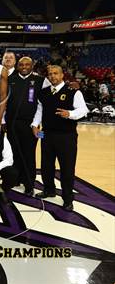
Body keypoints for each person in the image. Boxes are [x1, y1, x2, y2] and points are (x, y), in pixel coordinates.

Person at [32, 65, 89, 211]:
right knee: (46, 165)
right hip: (46, 134)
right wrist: (35, 125)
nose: (52, 76)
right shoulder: (43, 92)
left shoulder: (73, 92)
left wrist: (69, 114)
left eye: (55, 73)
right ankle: (49, 190)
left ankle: (68, 199)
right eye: (50, 74)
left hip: (66, 136)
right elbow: (40, 110)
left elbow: (83, 110)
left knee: (67, 169)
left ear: (62, 75)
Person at [5, 57, 45, 196]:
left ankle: (29, 183)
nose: (24, 66)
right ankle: (15, 179)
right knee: (14, 152)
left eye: (27, 64)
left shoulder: (40, 81)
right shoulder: (11, 79)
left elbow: (41, 105)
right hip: (12, 124)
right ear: (17, 66)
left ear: (32, 65)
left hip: (31, 125)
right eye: (21, 64)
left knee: (29, 154)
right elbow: (4, 101)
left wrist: (35, 124)